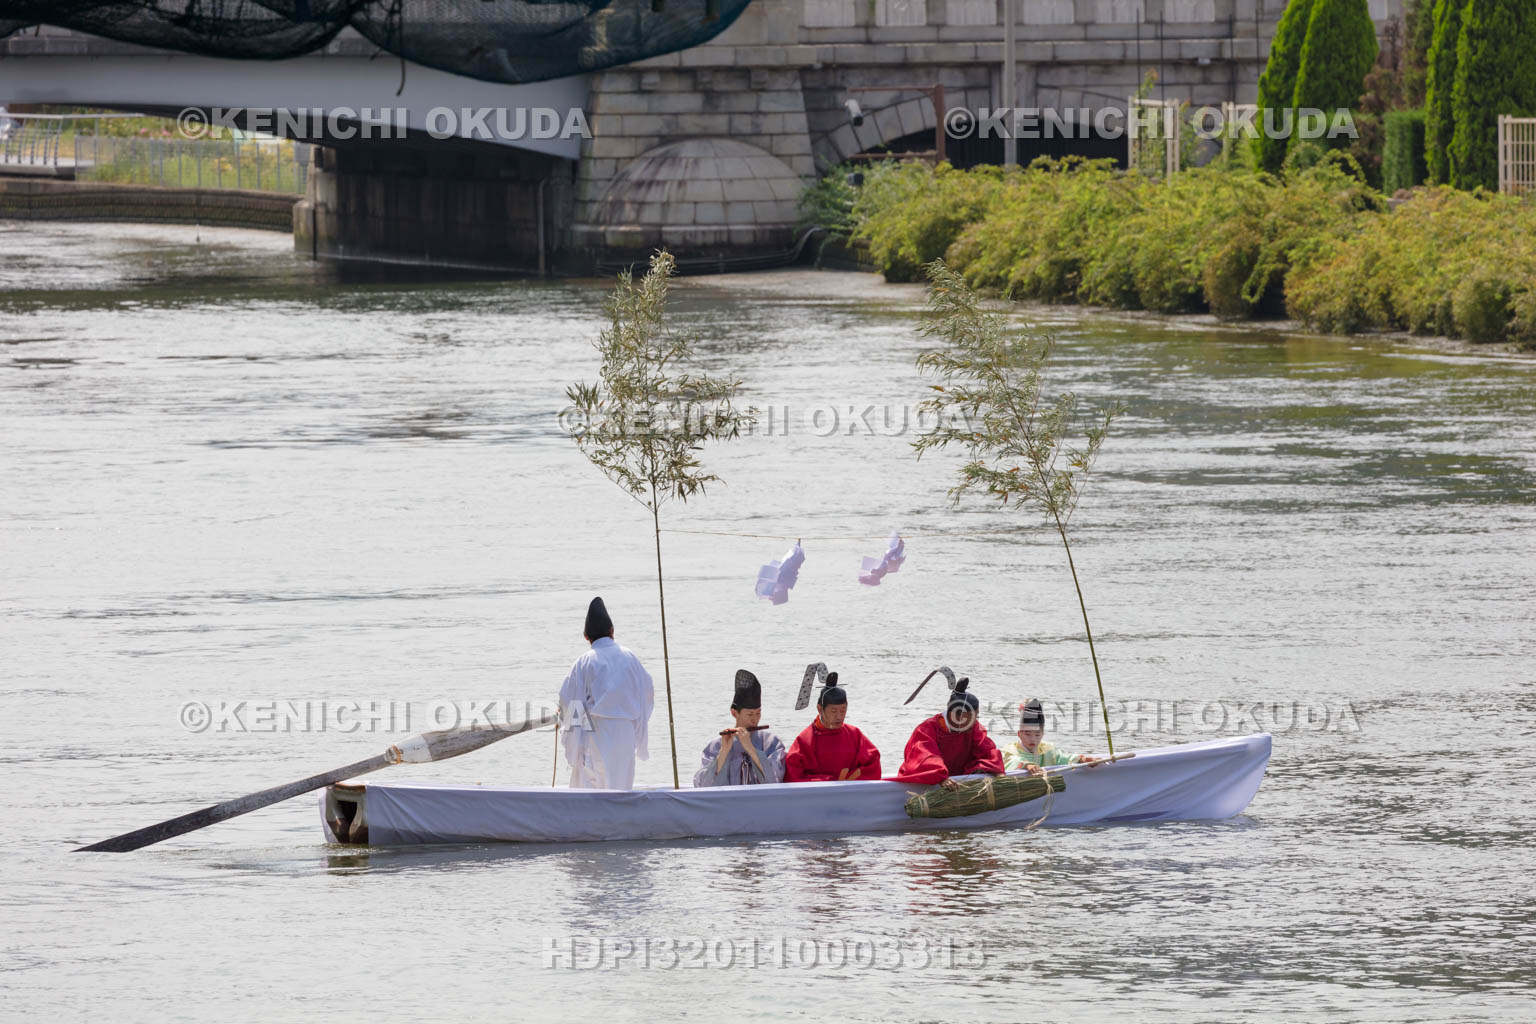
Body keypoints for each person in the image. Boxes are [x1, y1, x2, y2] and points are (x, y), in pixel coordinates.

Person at [557, 597, 654, 789]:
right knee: (621, 787)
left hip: (596, 733)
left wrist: (565, 722)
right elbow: (646, 695)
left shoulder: (584, 662)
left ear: (586, 636)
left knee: (592, 787)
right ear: (612, 631)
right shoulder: (630, 658)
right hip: (625, 733)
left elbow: (569, 701)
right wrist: (635, 728)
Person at [897, 678, 1039, 789]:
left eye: (976, 716)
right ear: (957, 716)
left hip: (957, 781)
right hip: (924, 782)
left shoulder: (973, 727)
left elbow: (987, 752)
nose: (976, 720)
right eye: (972, 716)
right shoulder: (926, 730)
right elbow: (925, 757)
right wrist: (941, 778)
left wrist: (998, 773)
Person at [784, 672, 881, 783]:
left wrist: (849, 781)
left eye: (843, 710)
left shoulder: (855, 735)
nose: (839, 716)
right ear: (820, 709)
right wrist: (829, 782)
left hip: (852, 795)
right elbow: (793, 775)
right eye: (834, 711)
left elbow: (873, 764)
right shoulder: (805, 740)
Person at [693, 670, 786, 786]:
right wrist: (723, 753)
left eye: (758, 713)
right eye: (749, 714)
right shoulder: (715, 746)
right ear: (734, 713)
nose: (755, 719)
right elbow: (702, 785)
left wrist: (751, 750)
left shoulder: (771, 743)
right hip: (728, 803)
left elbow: (775, 780)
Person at [1001, 698, 1095, 771]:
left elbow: (1063, 758)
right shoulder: (1010, 750)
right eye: (1028, 734)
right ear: (1019, 734)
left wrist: (1082, 760)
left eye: (1037, 735)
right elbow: (1010, 761)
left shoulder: (1047, 750)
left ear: (1042, 734)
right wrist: (1027, 765)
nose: (1033, 739)